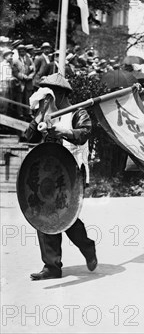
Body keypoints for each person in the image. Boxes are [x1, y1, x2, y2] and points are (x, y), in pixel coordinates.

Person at [25, 73, 97, 280]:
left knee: (66, 213)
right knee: (44, 214)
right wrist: (39, 116)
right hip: (50, 172)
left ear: (63, 94)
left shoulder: (77, 112)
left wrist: (62, 132)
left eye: (52, 93)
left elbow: (83, 133)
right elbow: (29, 136)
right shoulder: (46, 114)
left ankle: (87, 246)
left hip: (73, 170)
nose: (48, 97)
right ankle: (52, 266)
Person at [14, 44, 35, 119]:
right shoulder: (15, 61)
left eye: (23, 51)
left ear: (25, 51)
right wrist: (23, 76)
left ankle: (29, 112)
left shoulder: (29, 60)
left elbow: (33, 70)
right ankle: (20, 113)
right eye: (20, 51)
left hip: (28, 82)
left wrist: (30, 76)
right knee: (19, 98)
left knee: (28, 98)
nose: (21, 52)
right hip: (21, 82)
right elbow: (15, 72)